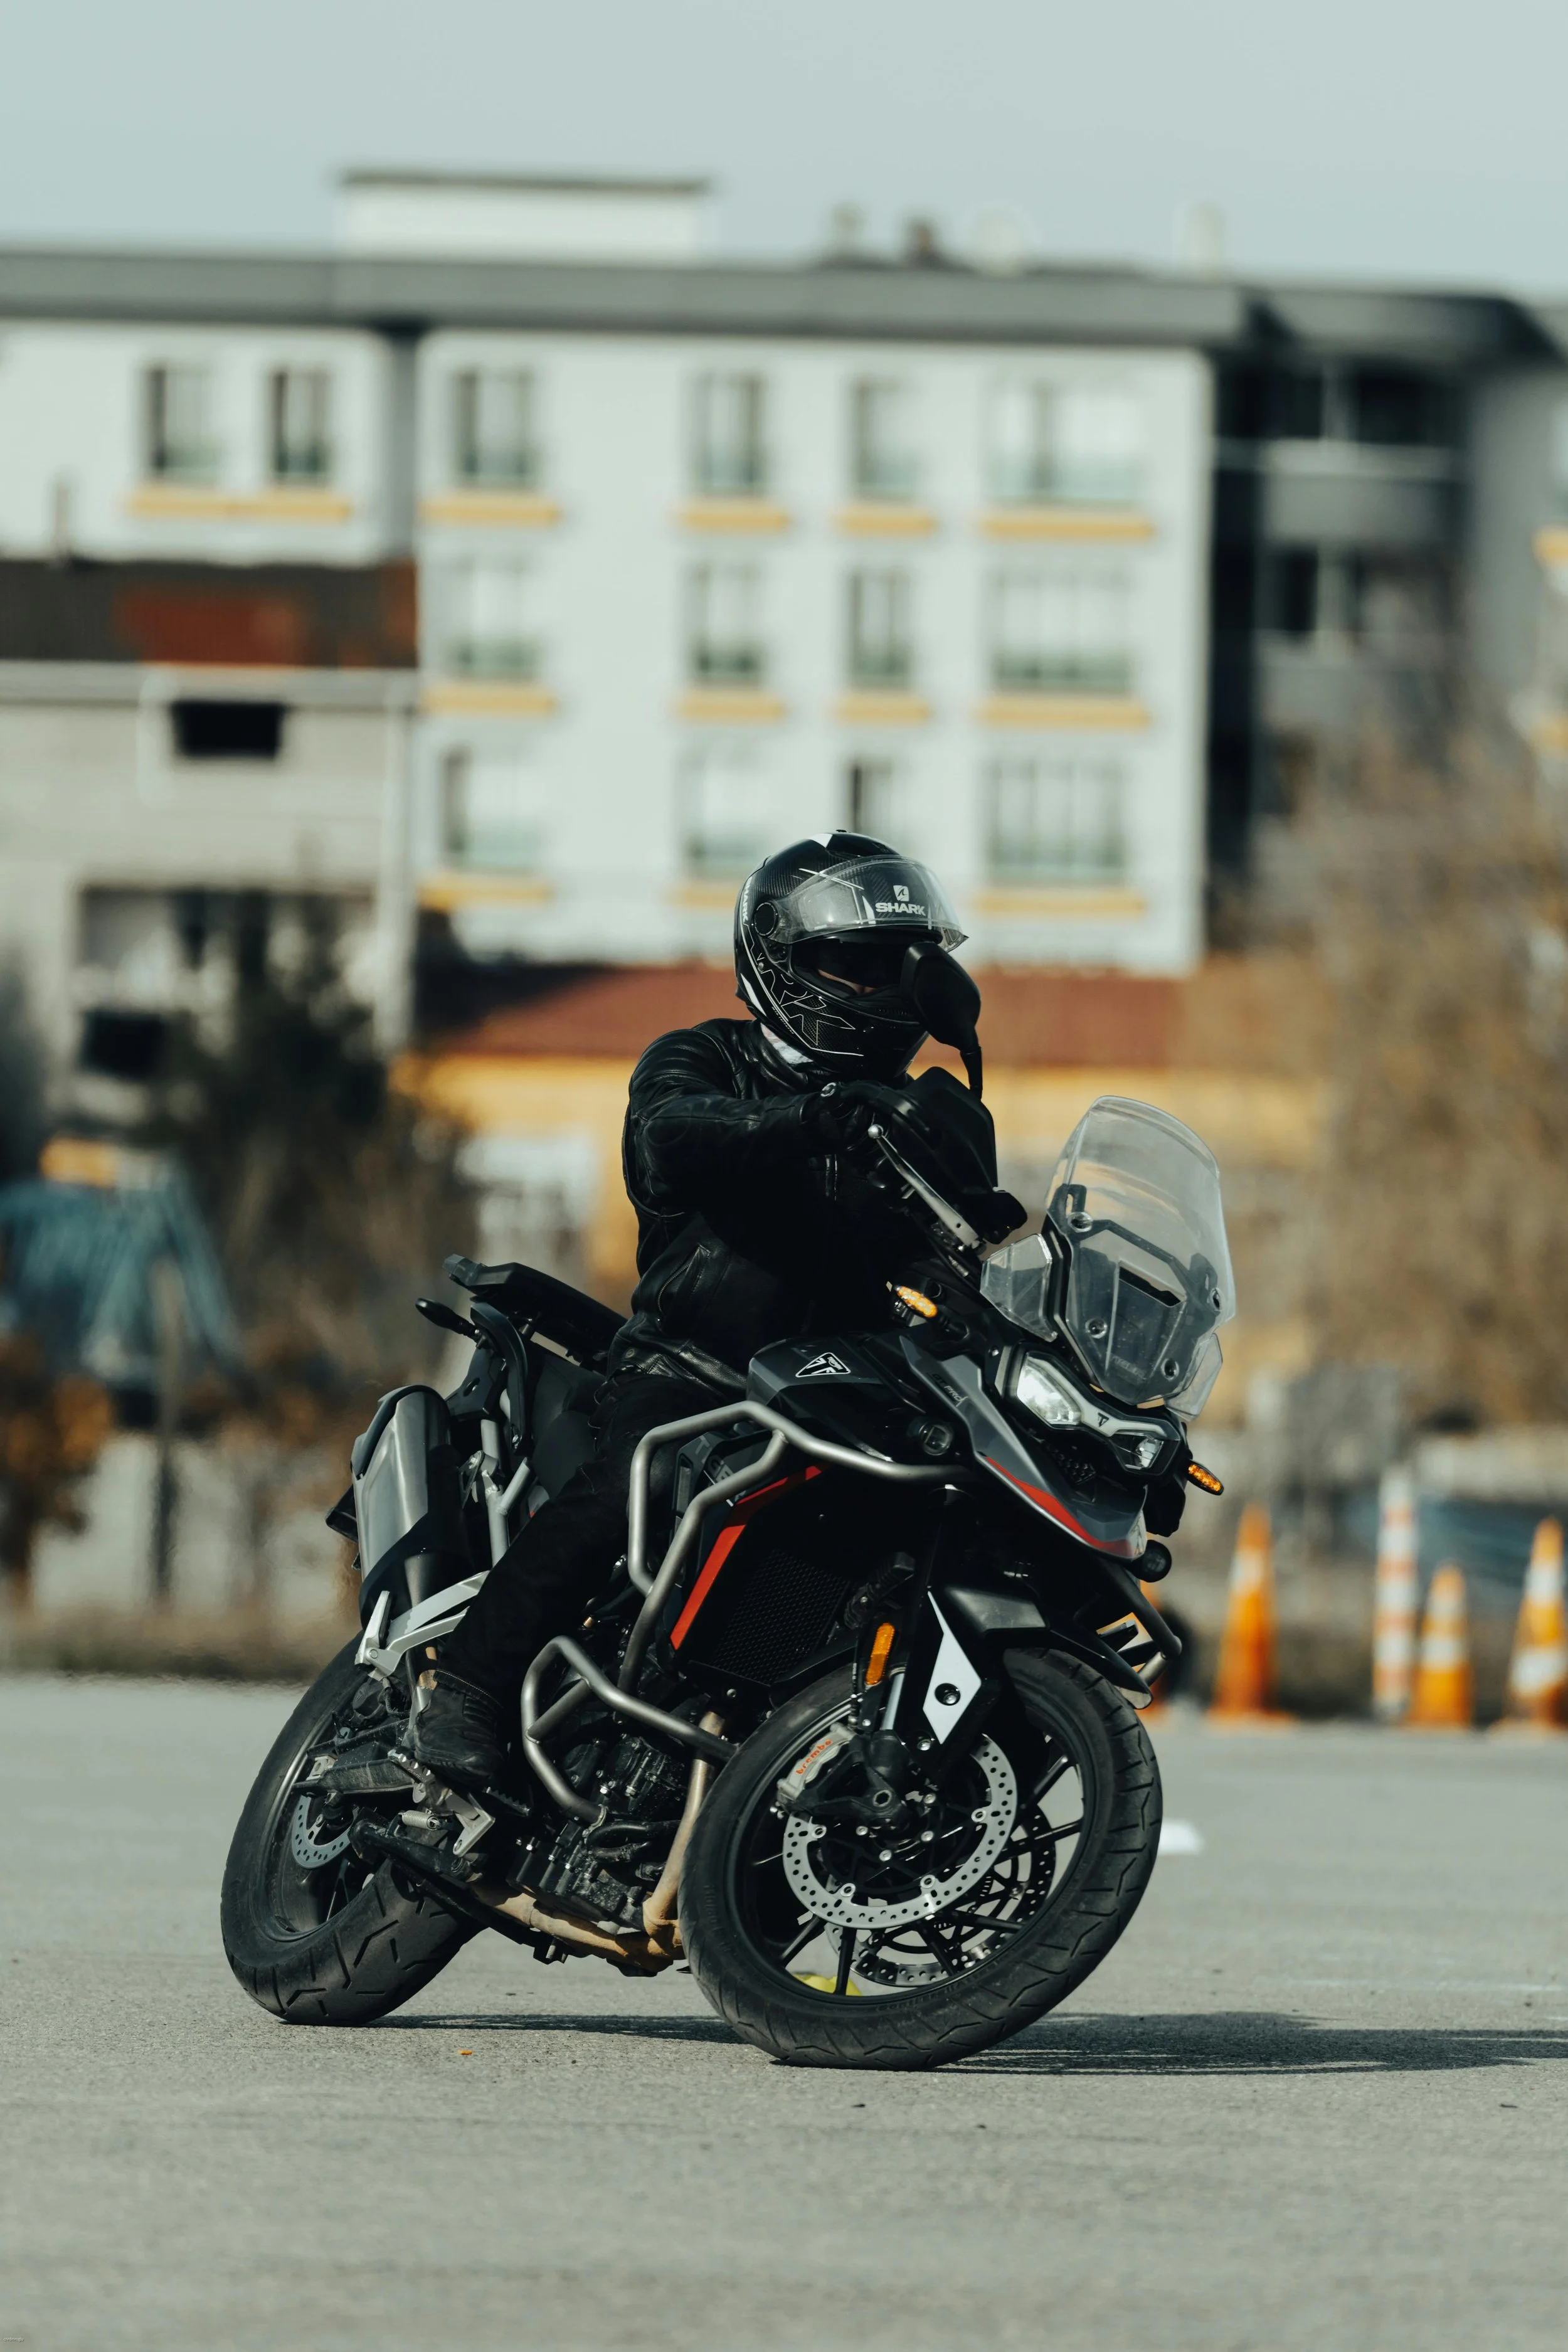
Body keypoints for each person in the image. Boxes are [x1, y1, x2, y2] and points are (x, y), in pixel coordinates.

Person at [409, 830, 982, 1789]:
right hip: (693, 1371)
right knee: (646, 1459)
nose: (883, 987)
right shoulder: (706, 1057)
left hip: (844, 1393)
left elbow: (969, 1253)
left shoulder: (936, 1115)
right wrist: (808, 1119)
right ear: (782, 962)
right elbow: (672, 1138)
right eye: (855, 962)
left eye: (900, 966)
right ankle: (467, 1683)